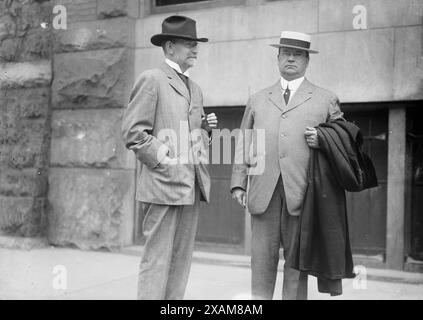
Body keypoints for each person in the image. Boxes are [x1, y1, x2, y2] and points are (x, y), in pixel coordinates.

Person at [230, 31, 344, 300]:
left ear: (307, 60)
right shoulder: (258, 98)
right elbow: (244, 141)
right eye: (286, 53)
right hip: (263, 192)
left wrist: (324, 138)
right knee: (261, 263)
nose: (291, 58)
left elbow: (345, 139)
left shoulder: (325, 98)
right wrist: (238, 182)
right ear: (277, 57)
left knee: (296, 266)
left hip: (303, 193)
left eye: (298, 54)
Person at [122, 15, 217, 300]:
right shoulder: (152, 79)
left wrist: (205, 130)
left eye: (196, 44)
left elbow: (192, 138)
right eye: (189, 44)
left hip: (190, 186)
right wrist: (165, 159)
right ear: (170, 47)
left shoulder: (195, 88)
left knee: (180, 262)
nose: (195, 49)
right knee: (158, 261)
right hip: (164, 185)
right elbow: (134, 133)